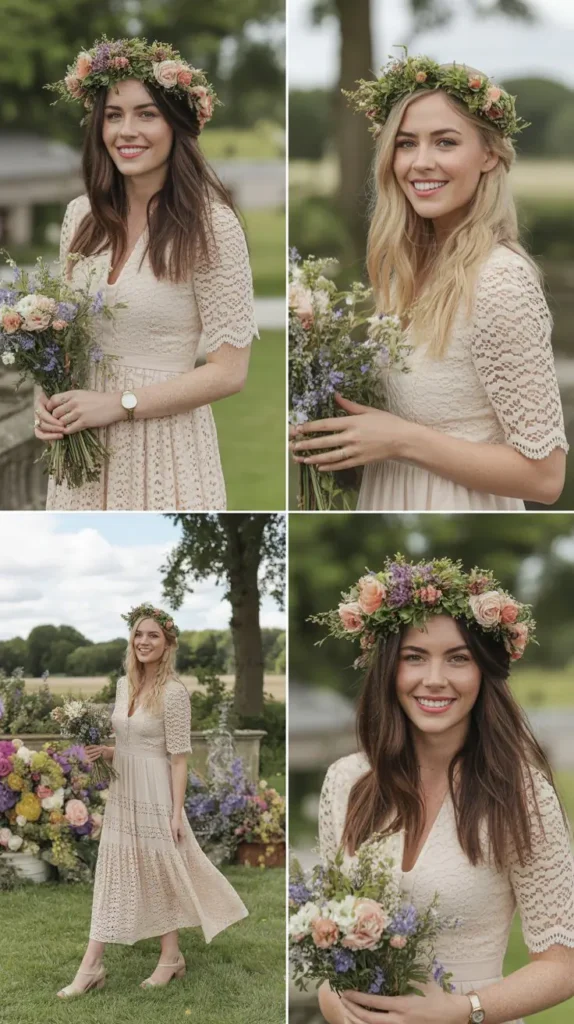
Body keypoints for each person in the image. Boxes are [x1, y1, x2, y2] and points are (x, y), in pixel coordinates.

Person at [290, 52, 568, 511]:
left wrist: (401, 440)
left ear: (489, 154)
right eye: (405, 143)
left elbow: (545, 477)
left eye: (444, 142)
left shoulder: (501, 281)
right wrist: (331, 429)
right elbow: (405, 422)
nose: (420, 162)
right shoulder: (405, 274)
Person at [313, 555, 574, 1024]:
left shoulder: (522, 794)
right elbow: (328, 933)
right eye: (414, 657)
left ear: (484, 673)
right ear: (389, 669)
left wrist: (463, 1010)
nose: (434, 679)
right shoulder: (345, 782)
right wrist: (333, 1001)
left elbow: (562, 965)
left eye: (458, 658)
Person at [37, 37, 258, 511]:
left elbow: (229, 373)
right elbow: (64, 337)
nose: (126, 130)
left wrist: (120, 404)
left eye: (146, 114)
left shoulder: (212, 225)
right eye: (113, 115)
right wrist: (47, 399)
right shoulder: (80, 217)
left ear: (178, 125)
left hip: (165, 448)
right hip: (81, 453)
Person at [57, 603, 248, 998]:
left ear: (167, 643)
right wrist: (106, 752)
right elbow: (130, 743)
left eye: (153, 635)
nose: (144, 641)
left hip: (157, 794)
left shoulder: (175, 694)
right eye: (139, 634)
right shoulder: (124, 686)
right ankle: (142, 959)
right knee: (116, 871)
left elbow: (178, 759)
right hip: (123, 791)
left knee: (161, 870)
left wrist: (176, 813)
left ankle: (146, 960)